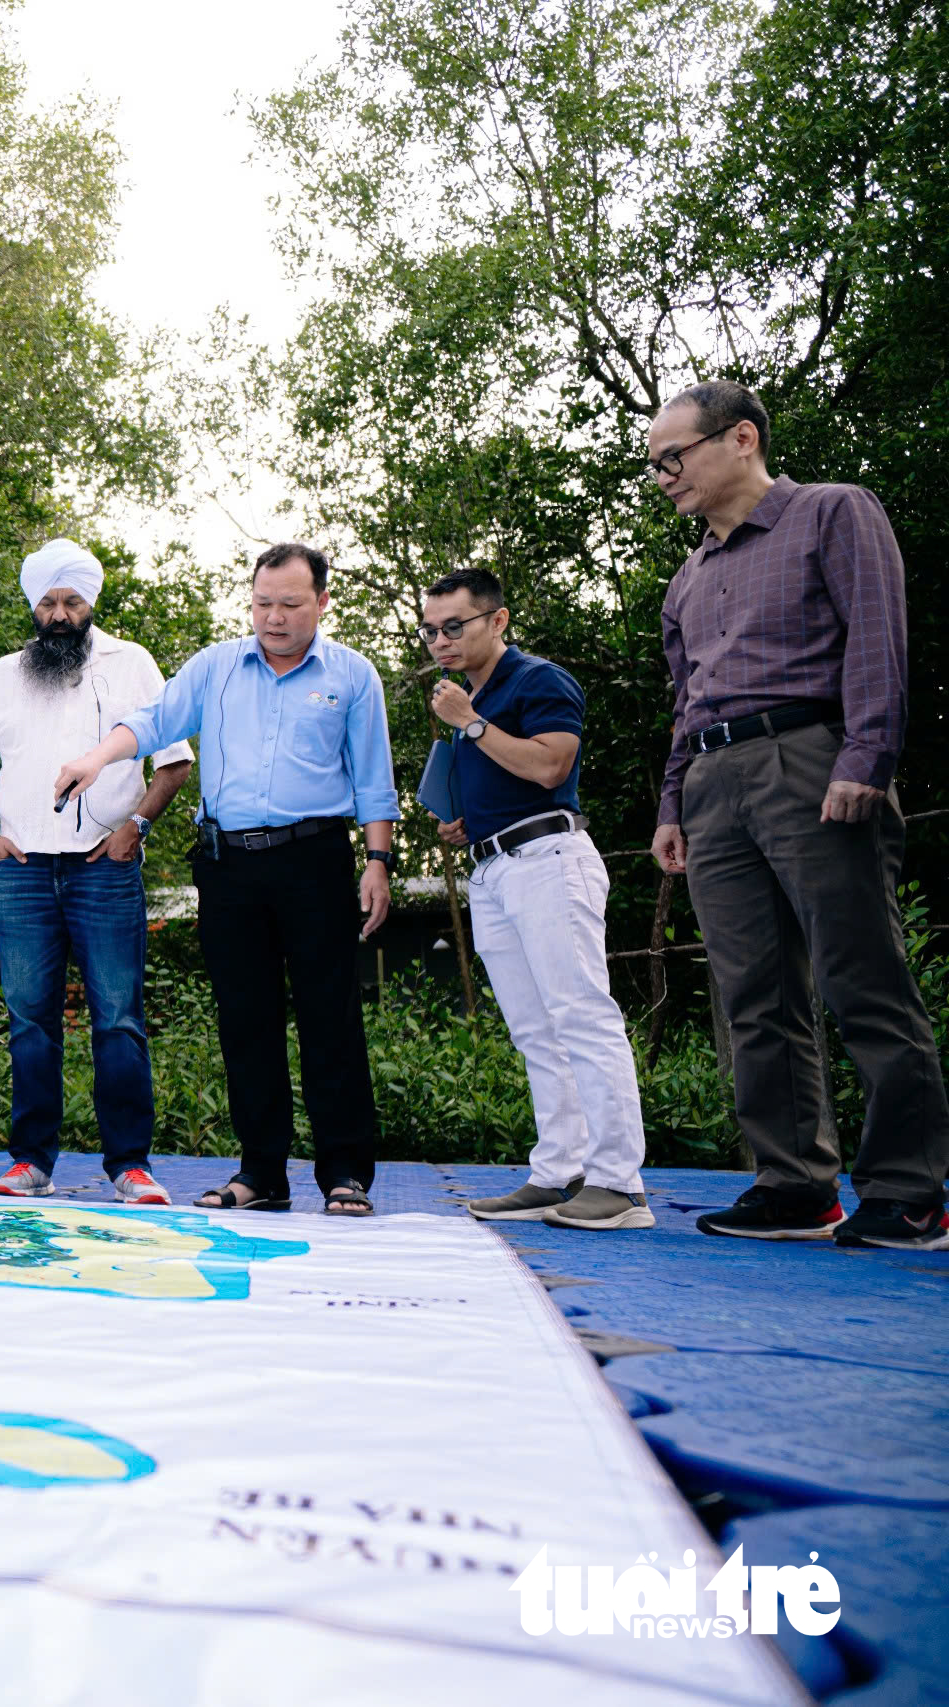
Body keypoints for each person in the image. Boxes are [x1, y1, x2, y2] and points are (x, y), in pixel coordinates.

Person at [646, 381, 949, 1250]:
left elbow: (878, 639)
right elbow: (687, 701)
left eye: (677, 456)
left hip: (811, 760)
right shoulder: (686, 579)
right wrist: (674, 803)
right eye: (655, 465)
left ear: (741, 438)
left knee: (862, 978)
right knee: (751, 995)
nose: (665, 475)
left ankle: (907, 1190)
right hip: (713, 783)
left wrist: (867, 757)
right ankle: (794, 1185)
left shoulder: (833, 514)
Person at [60, 542, 400, 1216]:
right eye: (263, 604)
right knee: (247, 1020)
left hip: (316, 856)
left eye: (290, 605)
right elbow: (154, 720)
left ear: (323, 603)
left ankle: (344, 1172)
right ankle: (261, 1172)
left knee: (329, 1016)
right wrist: (97, 758)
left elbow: (373, 778)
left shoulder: (353, 676)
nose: (274, 618)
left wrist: (378, 860)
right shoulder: (215, 667)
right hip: (229, 863)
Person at [0, 543, 193, 1201]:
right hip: (22, 872)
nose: (59, 614)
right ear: (33, 605)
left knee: (118, 1016)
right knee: (29, 1018)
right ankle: (31, 1162)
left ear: (91, 603)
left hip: (104, 871)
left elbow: (174, 760)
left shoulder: (133, 663)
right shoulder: (5, 673)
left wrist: (134, 827)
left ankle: (129, 1166)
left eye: (71, 602)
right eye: (48, 602)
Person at [417, 570, 652, 1230]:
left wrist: (468, 724)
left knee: (581, 1013)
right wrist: (464, 821)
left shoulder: (538, 680)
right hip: (492, 868)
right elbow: (509, 777)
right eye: (430, 629)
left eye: (454, 626)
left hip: (550, 858)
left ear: (498, 621)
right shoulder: (475, 696)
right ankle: (560, 1173)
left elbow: (551, 766)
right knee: (535, 1029)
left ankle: (620, 1184)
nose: (441, 639)